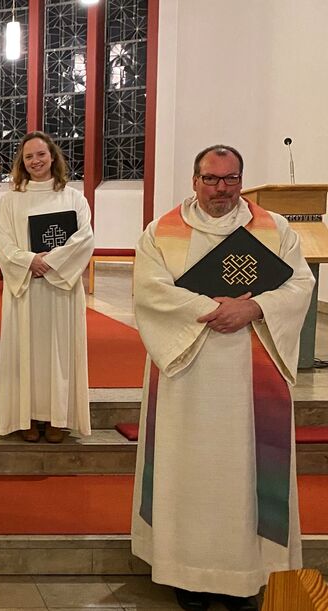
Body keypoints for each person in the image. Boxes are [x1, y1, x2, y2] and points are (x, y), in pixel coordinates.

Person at [131, 145, 314, 611]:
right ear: (195, 180)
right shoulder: (162, 231)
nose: (221, 189)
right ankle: (187, 573)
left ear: (241, 179)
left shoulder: (276, 229)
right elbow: (149, 293)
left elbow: (299, 284)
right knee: (188, 470)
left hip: (253, 373)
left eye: (230, 179)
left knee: (243, 472)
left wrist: (252, 308)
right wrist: (217, 309)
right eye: (211, 179)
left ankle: (246, 574)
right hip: (186, 374)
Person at [0, 131, 93, 443]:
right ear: (22, 162)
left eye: (41, 154)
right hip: (27, 289)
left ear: (53, 156)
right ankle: (26, 417)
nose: (36, 161)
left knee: (58, 353)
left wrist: (50, 262)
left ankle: (57, 419)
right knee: (26, 352)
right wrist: (29, 261)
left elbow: (85, 238)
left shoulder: (73, 197)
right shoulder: (11, 200)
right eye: (29, 156)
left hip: (60, 289)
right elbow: (2, 239)